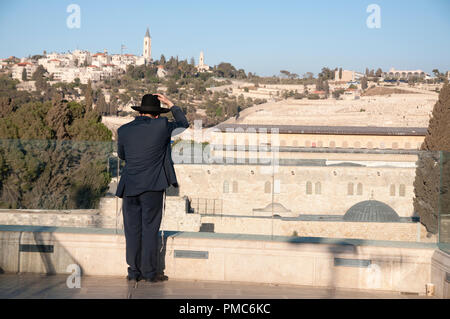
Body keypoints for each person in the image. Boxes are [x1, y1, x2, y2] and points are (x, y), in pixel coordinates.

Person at [115, 93, 189, 282]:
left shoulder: (123, 130)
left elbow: (122, 155)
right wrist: (171, 104)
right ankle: (149, 273)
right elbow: (183, 123)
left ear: (140, 112)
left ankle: (133, 271)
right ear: (157, 114)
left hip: (130, 186)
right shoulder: (162, 126)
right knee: (149, 229)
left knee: (132, 230)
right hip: (153, 187)